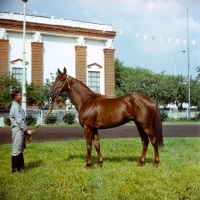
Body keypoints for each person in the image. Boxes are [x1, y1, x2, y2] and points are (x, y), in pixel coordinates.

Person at [9, 90, 33, 173]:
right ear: (15, 97)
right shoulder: (15, 107)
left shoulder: (17, 106)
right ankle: (15, 169)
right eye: (20, 95)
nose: (21, 96)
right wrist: (27, 131)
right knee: (16, 149)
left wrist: (25, 131)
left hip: (20, 130)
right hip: (18, 130)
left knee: (20, 149)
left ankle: (21, 167)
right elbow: (20, 121)